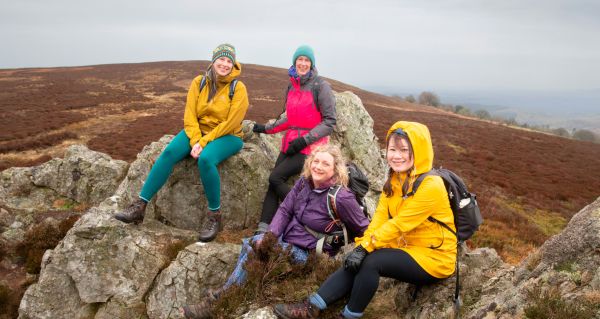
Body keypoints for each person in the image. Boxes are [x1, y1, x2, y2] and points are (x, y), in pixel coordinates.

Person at [273, 121, 457, 319]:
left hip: (434, 257)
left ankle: (349, 316)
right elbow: (379, 219)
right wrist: (363, 245)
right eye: (392, 149)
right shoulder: (395, 180)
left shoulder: (432, 185)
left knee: (371, 261)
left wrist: (364, 248)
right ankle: (311, 307)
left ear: (419, 151)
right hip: (406, 247)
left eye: (404, 150)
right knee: (358, 258)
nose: (396, 155)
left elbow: (399, 224)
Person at [181, 144, 369, 319]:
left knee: (251, 247)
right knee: (254, 243)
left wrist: (360, 253)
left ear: (335, 170)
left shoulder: (342, 198)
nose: (318, 167)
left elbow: (365, 228)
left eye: (325, 164)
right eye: (316, 161)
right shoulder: (304, 182)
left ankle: (218, 301)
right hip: (288, 241)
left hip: (309, 253)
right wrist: (271, 237)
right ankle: (227, 292)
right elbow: (286, 209)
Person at [114, 43, 249, 242]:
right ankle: (140, 206)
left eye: (229, 61)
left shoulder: (238, 88)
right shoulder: (199, 82)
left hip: (228, 136)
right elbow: (190, 115)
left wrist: (203, 143)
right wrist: (195, 139)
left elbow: (232, 122)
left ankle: (214, 216)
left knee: (206, 160)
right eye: (221, 59)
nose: (225, 64)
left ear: (233, 64)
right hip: (198, 131)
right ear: (213, 61)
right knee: (169, 153)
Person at [252, 44, 337, 234]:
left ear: (311, 64)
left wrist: (305, 140)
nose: (303, 63)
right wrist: (266, 128)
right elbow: (289, 118)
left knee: (275, 177)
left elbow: (329, 121)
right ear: (294, 62)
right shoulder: (292, 85)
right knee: (272, 182)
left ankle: (301, 212)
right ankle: (263, 228)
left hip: (312, 147)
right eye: (300, 59)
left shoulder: (320, 86)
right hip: (291, 143)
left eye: (307, 60)